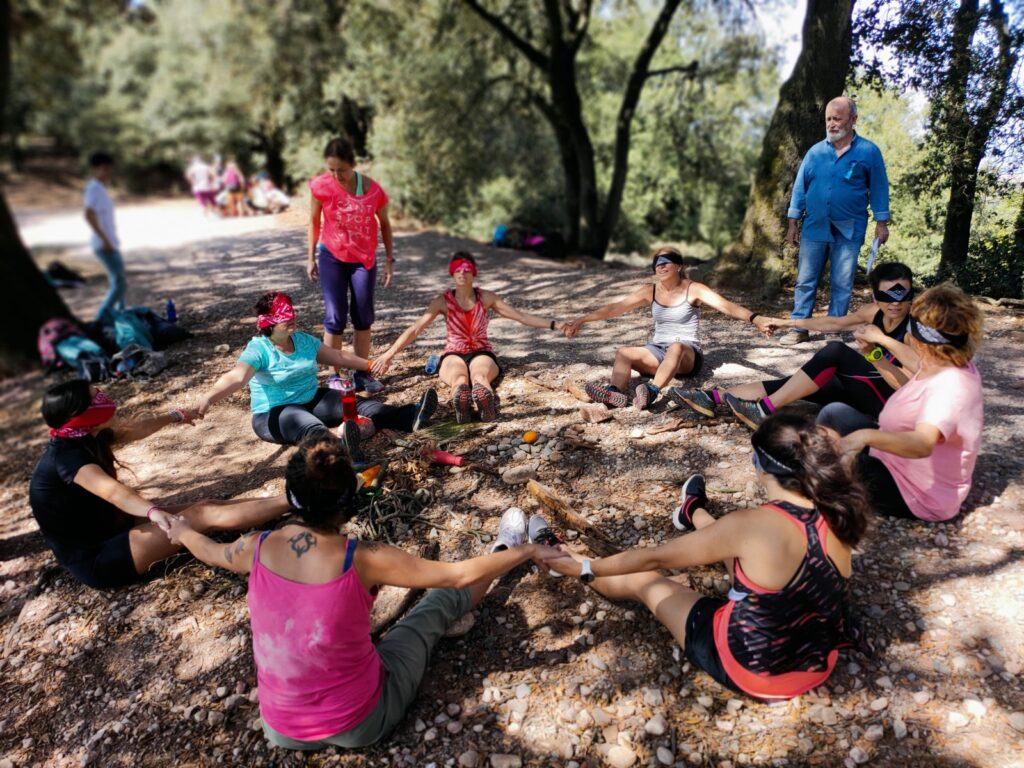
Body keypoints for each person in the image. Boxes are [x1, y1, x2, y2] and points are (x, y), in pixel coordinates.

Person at [164, 433, 559, 749]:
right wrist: (528, 550)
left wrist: (182, 531)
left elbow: (211, 552)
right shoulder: (365, 557)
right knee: (430, 610)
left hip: (281, 728)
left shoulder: (256, 546)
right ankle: (505, 547)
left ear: (290, 496)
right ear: (350, 501)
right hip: (360, 722)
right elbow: (456, 576)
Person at [540, 412, 868, 700]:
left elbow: (653, 559)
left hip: (752, 667)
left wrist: (584, 566)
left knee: (645, 581)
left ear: (761, 467)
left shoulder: (751, 526)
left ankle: (568, 559)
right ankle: (691, 510)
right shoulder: (840, 509)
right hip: (815, 663)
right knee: (734, 551)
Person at [27, 380, 288, 590]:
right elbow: (113, 492)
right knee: (204, 514)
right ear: (80, 415)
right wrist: (152, 511)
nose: (103, 396)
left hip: (117, 527)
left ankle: (286, 500)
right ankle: (299, 498)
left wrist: (175, 416)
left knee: (208, 505)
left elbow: (135, 429)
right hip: (98, 558)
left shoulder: (86, 435)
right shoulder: (66, 458)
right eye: (95, 396)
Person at [673, 262, 919, 428]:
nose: (895, 304)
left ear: (911, 294)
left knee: (836, 352)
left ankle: (764, 410)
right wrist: (784, 323)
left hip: (893, 405)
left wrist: (879, 346)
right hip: (867, 388)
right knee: (805, 381)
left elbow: (910, 385)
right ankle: (713, 397)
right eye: (887, 296)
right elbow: (832, 322)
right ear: (875, 296)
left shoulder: (915, 329)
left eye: (903, 296)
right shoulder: (874, 311)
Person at [196, 292, 437, 458]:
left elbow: (338, 357)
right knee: (311, 428)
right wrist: (209, 398)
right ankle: (339, 446)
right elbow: (236, 377)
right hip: (274, 413)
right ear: (267, 322)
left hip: (311, 399)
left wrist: (370, 364)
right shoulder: (259, 349)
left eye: (292, 314)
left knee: (359, 404)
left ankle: (410, 416)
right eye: (284, 317)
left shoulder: (303, 341)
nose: (292, 319)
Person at [824, 284, 984, 522]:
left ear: (919, 340)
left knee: (814, 465)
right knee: (833, 413)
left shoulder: (952, 386)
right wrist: (872, 351)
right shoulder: (943, 360)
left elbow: (922, 444)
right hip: (892, 457)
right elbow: (911, 362)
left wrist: (865, 437)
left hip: (914, 491)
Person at [563, 247, 775, 410]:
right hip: (657, 350)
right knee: (623, 353)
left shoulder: (694, 289)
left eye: (666, 262)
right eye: (656, 264)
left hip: (686, 354)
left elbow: (726, 306)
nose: (660, 266)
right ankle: (613, 393)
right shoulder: (650, 290)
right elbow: (614, 308)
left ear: (679, 266)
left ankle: (652, 391)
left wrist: (755, 319)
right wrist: (582, 320)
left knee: (676, 346)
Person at [372, 252, 565, 422]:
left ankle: (485, 405)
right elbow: (415, 329)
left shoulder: (486, 297)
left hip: (481, 352)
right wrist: (389, 354)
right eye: (457, 270)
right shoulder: (443, 301)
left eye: (466, 269)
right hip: (453, 354)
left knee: (480, 377)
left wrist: (555, 325)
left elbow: (521, 316)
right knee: (460, 379)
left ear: (474, 273)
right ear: (452, 273)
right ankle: (463, 406)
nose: (462, 273)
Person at [782, 96, 891, 346]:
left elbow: (879, 188)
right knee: (805, 280)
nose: (831, 124)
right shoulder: (815, 152)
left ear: (853, 120)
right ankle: (799, 328)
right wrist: (792, 221)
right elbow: (800, 188)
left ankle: (834, 329)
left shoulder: (868, 152)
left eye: (837, 119)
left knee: (842, 282)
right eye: (828, 119)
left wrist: (881, 222)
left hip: (849, 229)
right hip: (815, 227)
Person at [308, 137, 392, 394]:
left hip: (363, 261)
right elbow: (313, 221)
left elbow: (385, 225)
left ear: (353, 164)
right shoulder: (321, 186)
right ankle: (334, 375)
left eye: (341, 170)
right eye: (331, 169)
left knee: (363, 317)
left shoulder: (374, 190)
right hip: (331, 256)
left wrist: (389, 259)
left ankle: (361, 373)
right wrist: (310, 256)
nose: (336, 176)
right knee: (334, 317)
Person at [83, 151, 126, 322]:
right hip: (103, 244)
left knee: (119, 283)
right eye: (104, 169)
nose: (107, 172)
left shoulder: (101, 188)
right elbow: (88, 214)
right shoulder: (93, 188)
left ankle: (120, 317)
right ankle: (100, 320)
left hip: (110, 242)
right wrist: (104, 239)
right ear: (96, 169)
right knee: (120, 283)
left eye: (109, 169)